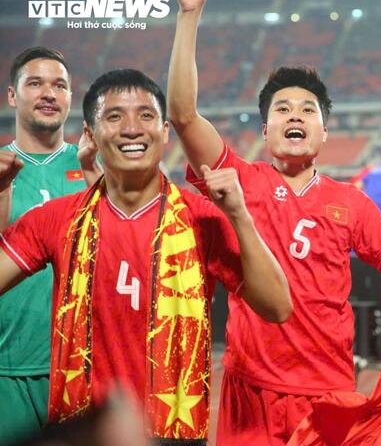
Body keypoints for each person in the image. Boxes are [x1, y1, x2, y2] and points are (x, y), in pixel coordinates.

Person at [167, 0, 381, 443]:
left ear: (325, 131)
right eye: (282, 109)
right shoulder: (241, 179)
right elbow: (181, 114)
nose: (296, 115)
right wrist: (189, 14)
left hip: (325, 392)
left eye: (309, 110)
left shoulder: (352, 203)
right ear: (265, 131)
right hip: (252, 389)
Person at [0, 69, 291, 443]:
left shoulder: (203, 219)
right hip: (87, 431)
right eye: (115, 116)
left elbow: (278, 307)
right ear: (89, 134)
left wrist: (240, 217)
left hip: (176, 432)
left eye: (147, 115)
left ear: (165, 131)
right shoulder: (56, 220)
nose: (132, 128)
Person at [0, 46, 102, 443]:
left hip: (81, 367)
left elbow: (120, 247)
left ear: (70, 98)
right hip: (6, 368)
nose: (49, 93)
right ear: (12, 95)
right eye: (36, 83)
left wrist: (95, 173)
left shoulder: (95, 165)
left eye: (59, 85)